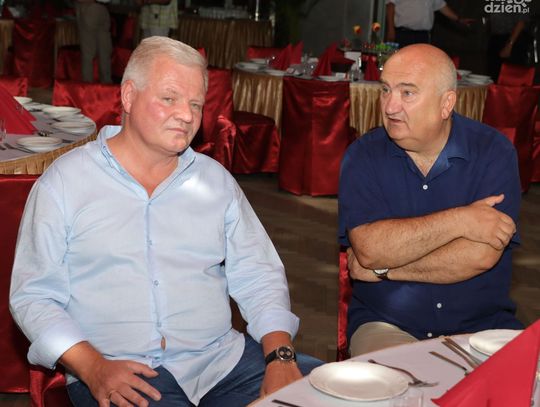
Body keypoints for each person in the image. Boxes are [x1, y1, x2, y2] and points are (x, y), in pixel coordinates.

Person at [10, 36, 321, 406]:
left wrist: (280, 357)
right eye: (170, 98)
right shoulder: (66, 182)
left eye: (195, 103)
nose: (187, 115)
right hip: (120, 370)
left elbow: (259, 275)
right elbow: (34, 296)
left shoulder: (215, 182)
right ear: (128, 96)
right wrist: (92, 367)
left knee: (338, 393)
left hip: (222, 363)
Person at [338, 44, 524, 357]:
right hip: (387, 325)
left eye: (407, 93)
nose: (390, 106)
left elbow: (480, 255)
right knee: (405, 385)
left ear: (446, 103)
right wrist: (462, 220)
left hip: (482, 326)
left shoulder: (493, 152)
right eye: (386, 89)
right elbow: (369, 249)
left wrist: (384, 270)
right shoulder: (363, 155)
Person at [385, 0, 474, 47]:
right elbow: (390, 6)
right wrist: (390, 30)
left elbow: (442, 6)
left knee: (421, 64)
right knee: (402, 63)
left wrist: (458, 19)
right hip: (404, 34)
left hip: (423, 35)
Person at [75, 0, 113, 83]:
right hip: (89, 5)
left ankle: (106, 85)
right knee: (89, 52)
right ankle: (88, 85)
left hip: (103, 7)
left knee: (105, 51)